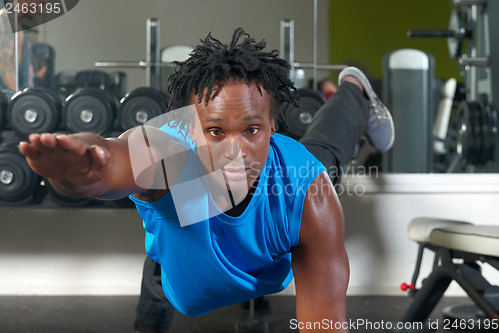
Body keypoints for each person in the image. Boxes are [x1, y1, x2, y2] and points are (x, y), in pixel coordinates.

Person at [19, 28, 394, 332]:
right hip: (181, 253)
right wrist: (79, 171)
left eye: (252, 130)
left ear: (273, 128)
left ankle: (355, 93)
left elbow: (325, 324)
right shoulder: (168, 154)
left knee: (321, 159)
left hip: (273, 237)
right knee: (161, 268)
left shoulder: (309, 193)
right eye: (215, 131)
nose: (237, 151)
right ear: (191, 130)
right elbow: (109, 163)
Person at [0, 0, 47, 97]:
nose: (42, 11)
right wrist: (20, 99)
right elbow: (4, 62)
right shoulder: (7, 20)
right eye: (41, 3)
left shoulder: (16, 25)